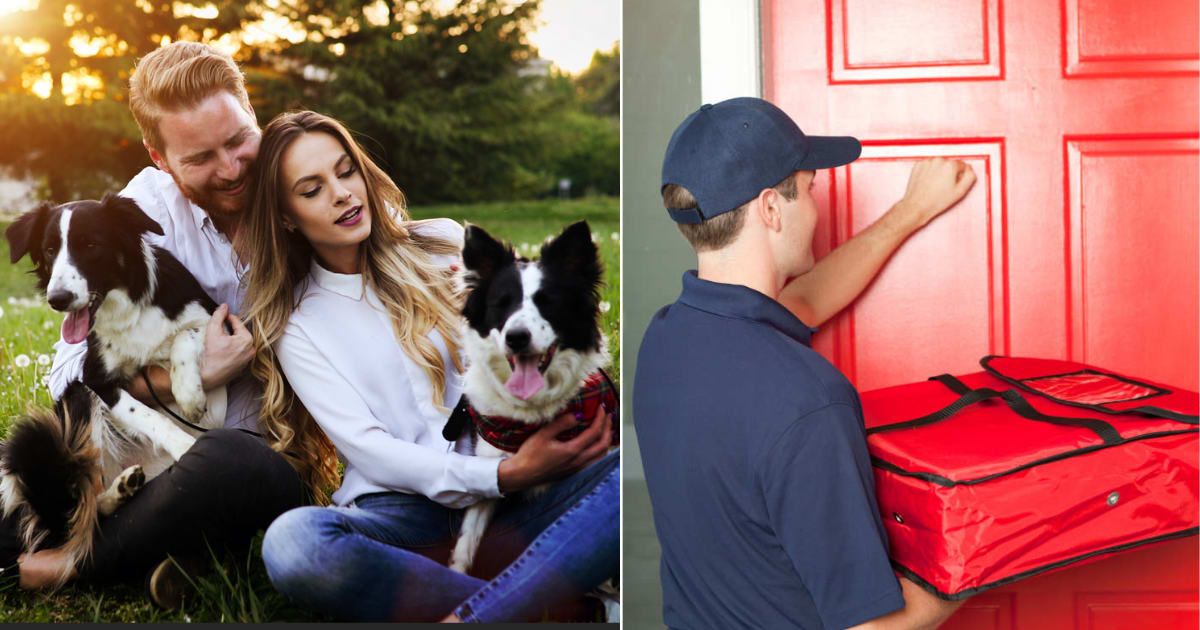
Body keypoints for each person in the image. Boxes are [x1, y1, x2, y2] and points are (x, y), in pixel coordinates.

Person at [237, 110, 619, 623]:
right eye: (312, 189)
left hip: (516, 502)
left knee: (645, 462)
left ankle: (484, 608)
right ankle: (549, 606)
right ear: (286, 216)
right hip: (405, 516)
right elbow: (371, 450)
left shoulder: (441, 243)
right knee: (294, 545)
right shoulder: (298, 323)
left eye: (346, 171)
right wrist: (502, 475)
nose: (342, 194)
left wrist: (528, 461)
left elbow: (511, 339)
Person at [633, 96, 977, 629]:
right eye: (811, 189)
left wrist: (912, 210)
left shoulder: (665, 342)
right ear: (771, 208)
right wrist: (979, 565)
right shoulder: (809, 399)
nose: (817, 207)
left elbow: (807, 300)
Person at [6, 42, 310, 606]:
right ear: (159, 156)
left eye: (239, 139)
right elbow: (70, 372)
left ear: (252, 113)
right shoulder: (136, 213)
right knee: (22, 472)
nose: (230, 168)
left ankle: (75, 565)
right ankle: (160, 552)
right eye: (199, 158)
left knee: (233, 464)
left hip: (245, 457)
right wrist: (187, 373)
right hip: (142, 458)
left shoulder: (307, 186)